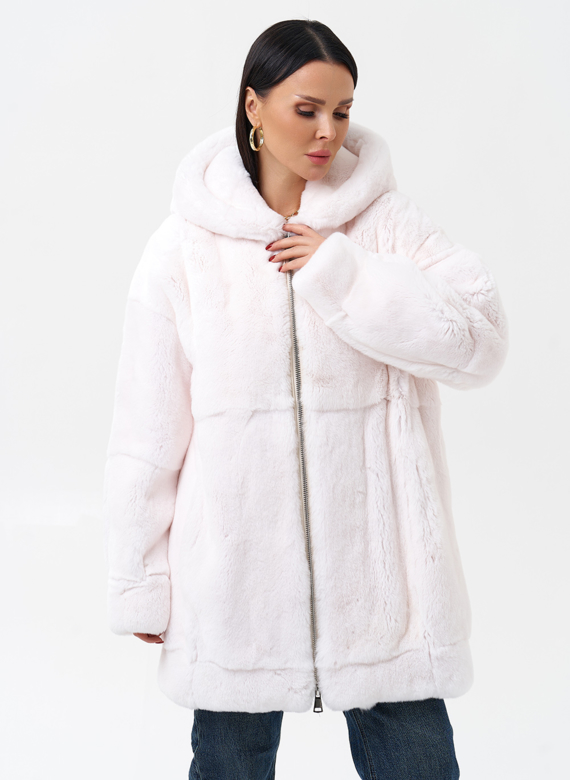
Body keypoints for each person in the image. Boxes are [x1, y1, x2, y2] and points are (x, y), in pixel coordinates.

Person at [103, 18, 509, 780]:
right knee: (229, 763)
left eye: (343, 111)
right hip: (235, 586)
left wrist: (343, 273)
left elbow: (480, 341)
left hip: (384, 594)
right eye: (307, 109)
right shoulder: (183, 248)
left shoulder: (385, 224)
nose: (329, 131)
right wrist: (142, 578)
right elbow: (146, 430)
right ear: (253, 107)